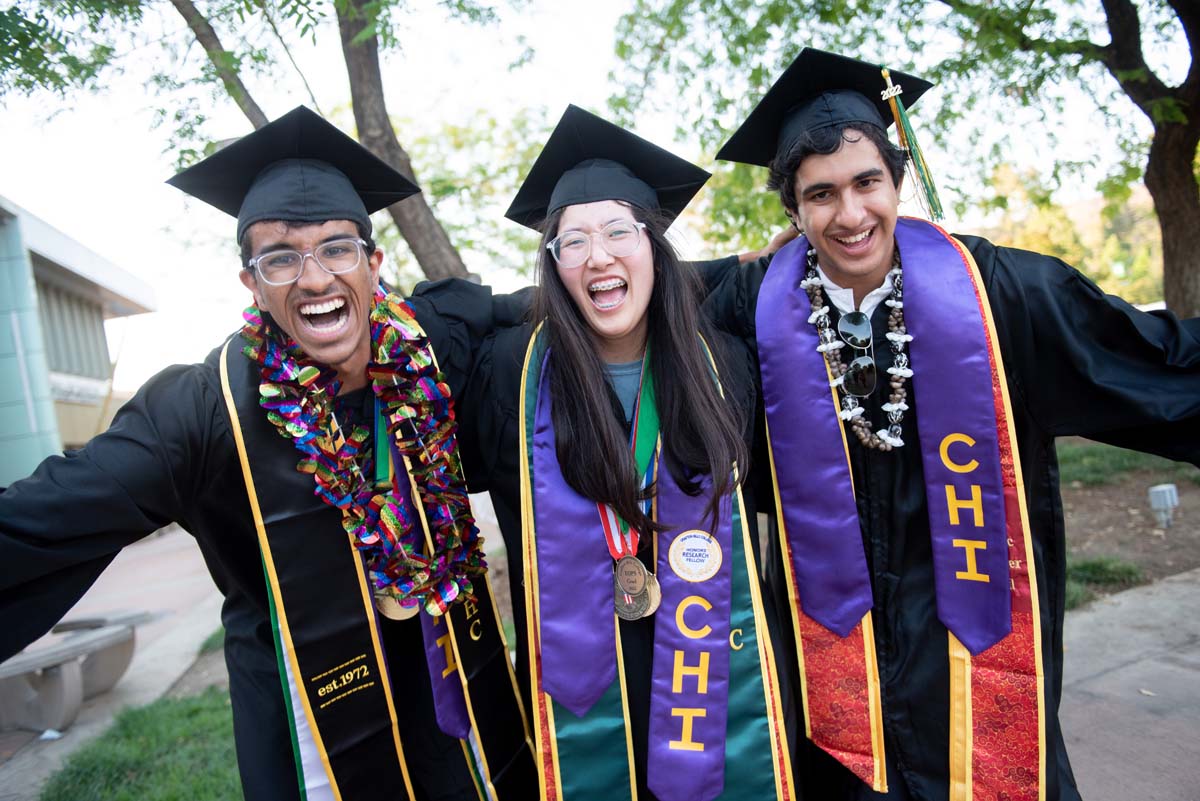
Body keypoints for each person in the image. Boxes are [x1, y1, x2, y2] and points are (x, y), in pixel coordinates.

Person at [0, 106, 538, 801]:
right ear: (251, 284)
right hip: (305, 698)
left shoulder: (425, 343)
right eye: (281, 257)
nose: (314, 278)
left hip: (440, 673)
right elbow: (53, 510)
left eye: (337, 248)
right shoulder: (205, 407)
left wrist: (711, 278)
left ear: (374, 264)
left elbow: (548, 306)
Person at [705, 48, 1200, 801]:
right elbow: (654, 310)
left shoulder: (997, 292)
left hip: (976, 672)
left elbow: (1150, 365)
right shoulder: (754, 309)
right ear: (792, 210)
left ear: (897, 179)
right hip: (840, 699)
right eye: (821, 194)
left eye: (868, 182)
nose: (850, 214)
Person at [453, 105, 796, 801]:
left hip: (715, 675)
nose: (598, 256)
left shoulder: (726, 363)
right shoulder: (509, 376)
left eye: (618, 231)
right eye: (571, 242)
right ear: (552, 266)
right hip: (579, 695)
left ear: (655, 245)